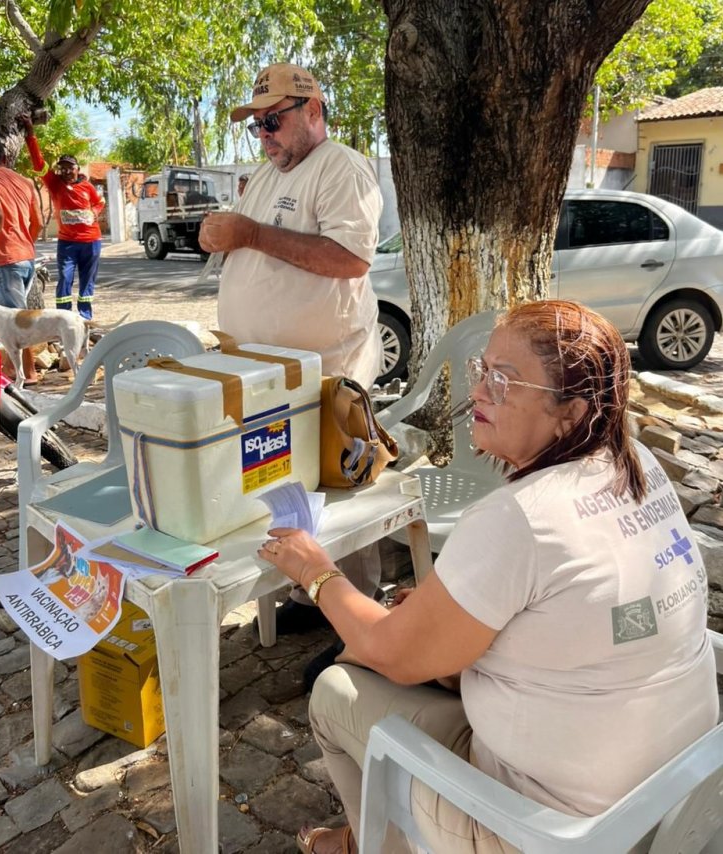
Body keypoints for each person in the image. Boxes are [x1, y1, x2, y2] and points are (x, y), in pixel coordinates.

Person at [258, 299, 719, 854]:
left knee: (336, 690)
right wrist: (440, 610)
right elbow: (568, 604)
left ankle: (372, 844)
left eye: (504, 381)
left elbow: (390, 652)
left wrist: (314, 570)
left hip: (549, 832)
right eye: (482, 370)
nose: (477, 392)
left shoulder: (519, 518)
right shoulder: (636, 461)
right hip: (675, 801)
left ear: (572, 412)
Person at [200, 62, 384, 680]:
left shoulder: (341, 168)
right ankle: (313, 595)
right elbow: (254, 243)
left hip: (328, 371)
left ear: (313, 111)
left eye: (273, 121)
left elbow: (350, 259)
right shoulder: (267, 174)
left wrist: (249, 233)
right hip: (269, 375)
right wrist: (223, 237)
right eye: (256, 125)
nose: (264, 135)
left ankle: (362, 622)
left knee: (339, 494)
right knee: (287, 488)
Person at [18, 115, 104, 320]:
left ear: (77, 169)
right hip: (67, 244)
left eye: (70, 167)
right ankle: (64, 317)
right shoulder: (54, 183)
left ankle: (85, 317)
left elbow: (100, 202)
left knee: (87, 281)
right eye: (62, 168)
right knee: (65, 277)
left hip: (92, 242)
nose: (66, 171)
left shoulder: (87, 187)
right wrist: (31, 133)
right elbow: (38, 162)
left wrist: (95, 212)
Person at [0, 136, 42, 385]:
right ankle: (18, 369)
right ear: (4, 157)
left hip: (5, 261)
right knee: (21, 315)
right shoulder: (25, 181)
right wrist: (23, 244)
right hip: (26, 256)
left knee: (15, 320)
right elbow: (38, 223)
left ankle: (28, 373)